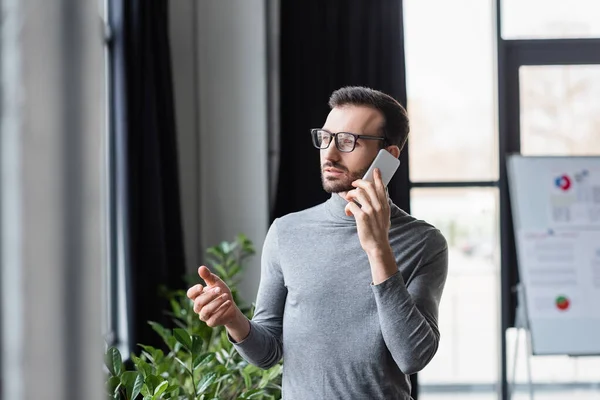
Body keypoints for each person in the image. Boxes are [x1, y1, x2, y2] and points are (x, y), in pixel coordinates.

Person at [186, 86, 448, 400]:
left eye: (348, 141)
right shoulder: (287, 231)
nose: (330, 153)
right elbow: (268, 351)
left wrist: (378, 249)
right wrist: (233, 320)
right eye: (325, 138)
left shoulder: (425, 242)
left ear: (388, 156)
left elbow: (412, 357)